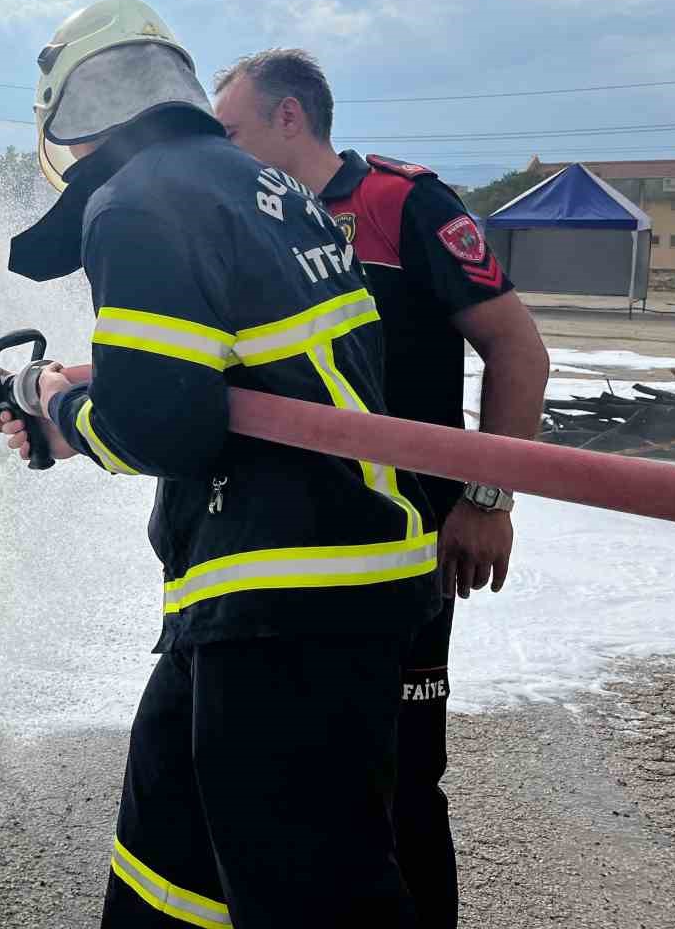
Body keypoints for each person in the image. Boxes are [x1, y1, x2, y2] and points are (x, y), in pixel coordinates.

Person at [0, 0, 441, 927]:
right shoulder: (261, 187)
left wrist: (61, 410)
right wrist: (89, 393)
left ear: (73, 109)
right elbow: (251, 367)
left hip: (287, 599)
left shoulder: (140, 199)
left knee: (314, 898)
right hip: (294, 586)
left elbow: (165, 429)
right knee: (168, 868)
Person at [212, 48, 549, 929]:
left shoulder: (405, 206)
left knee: (400, 777)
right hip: (277, 553)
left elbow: (518, 352)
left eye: (233, 129)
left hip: (405, 556)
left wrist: (486, 501)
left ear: (292, 118)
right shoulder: (239, 220)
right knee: (280, 773)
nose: (222, 149)